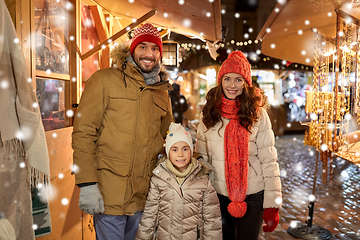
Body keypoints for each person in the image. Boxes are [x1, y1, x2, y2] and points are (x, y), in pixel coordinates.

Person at [72, 23, 173, 240]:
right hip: (109, 194)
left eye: (155, 49)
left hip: (144, 195)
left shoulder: (162, 92)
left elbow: (170, 137)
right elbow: (84, 133)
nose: (149, 54)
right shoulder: (104, 80)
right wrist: (87, 183)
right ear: (132, 50)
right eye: (143, 47)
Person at [195, 51, 282, 240]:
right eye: (227, 78)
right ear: (221, 81)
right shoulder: (210, 113)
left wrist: (272, 205)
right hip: (218, 195)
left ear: (246, 83)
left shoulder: (257, 114)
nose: (232, 85)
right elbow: (200, 157)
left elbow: (269, 161)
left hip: (253, 195)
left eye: (238, 79)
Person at [136, 123, 222, 240]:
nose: (180, 154)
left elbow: (212, 219)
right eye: (175, 149)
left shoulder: (202, 180)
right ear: (168, 152)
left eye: (185, 149)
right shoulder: (159, 178)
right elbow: (149, 216)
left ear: (191, 151)